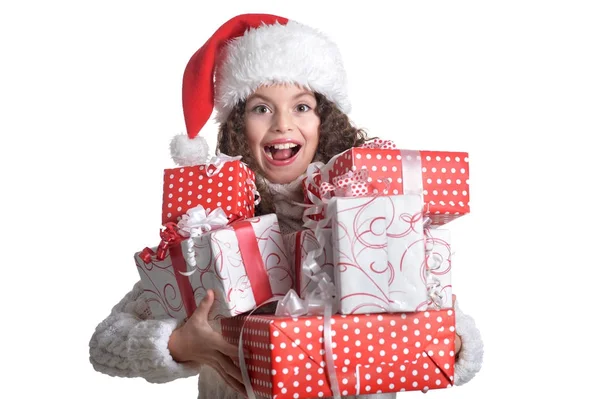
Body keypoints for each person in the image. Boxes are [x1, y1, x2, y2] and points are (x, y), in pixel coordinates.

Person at [89, 13, 484, 399]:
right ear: (238, 127)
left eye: (302, 106)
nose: (282, 124)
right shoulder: (209, 229)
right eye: (261, 108)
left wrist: (445, 342)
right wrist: (177, 345)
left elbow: (458, 332)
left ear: (322, 120)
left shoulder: (366, 215)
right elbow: (104, 343)